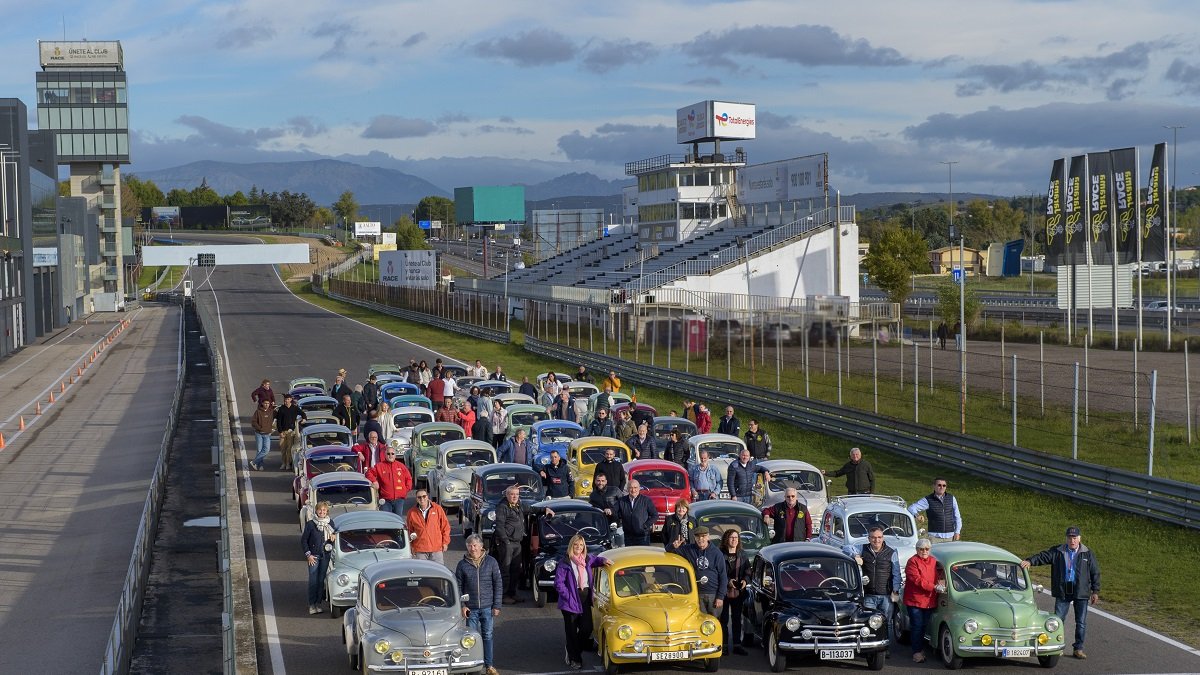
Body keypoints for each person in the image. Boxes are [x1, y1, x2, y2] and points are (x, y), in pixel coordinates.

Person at [1021, 526, 1101, 659]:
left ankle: (1078, 649)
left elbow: (1095, 572)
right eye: (1070, 538)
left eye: (1074, 538)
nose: (1072, 540)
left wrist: (1095, 591)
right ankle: (1057, 646)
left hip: (1081, 591)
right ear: (1066, 538)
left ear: (1079, 538)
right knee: (1058, 620)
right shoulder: (1058, 551)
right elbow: (1043, 556)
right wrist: (1030, 561)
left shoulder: (1087, 553)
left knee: (1081, 622)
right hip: (1063, 590)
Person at [554, 534, 609, 670]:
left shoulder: (587, 559)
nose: (578, 547)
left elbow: (597, 560)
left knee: (587, 628)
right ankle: (575, 659)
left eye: (581, 545)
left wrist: (605, 560)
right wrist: (568, 596)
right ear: (571, 546)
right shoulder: (565, 562)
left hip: (584, 598)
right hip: (570, 600)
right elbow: (558, 583)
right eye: (576, 545)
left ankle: (572, 649)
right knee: (571, 632)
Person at [494, 485, 553, 603]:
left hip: (517, 543)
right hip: (507, 543)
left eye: (517, 494)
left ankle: (513, 593)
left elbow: (531, 509)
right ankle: (503, 596)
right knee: (505, 570)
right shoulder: (502, 507)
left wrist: (545, 509)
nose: (515, 496)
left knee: (516, 570)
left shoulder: (519, 505)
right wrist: (505, 541)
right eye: (512, 494)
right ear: (507, 495)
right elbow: (499, 526)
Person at [456, 534, 503, 675]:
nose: (472, 548)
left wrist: (497, 605)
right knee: (470, 639)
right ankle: (471, 667)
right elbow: (459, 586)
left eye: (475, 545)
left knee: (487, 636)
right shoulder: (462, 564)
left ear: (481, 547)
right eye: (470, 545)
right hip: (471, 609)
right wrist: (463, 605)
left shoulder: (491, 562)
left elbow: (498, 584)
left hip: (488, 608)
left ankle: (489, 666)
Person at [854, 526, 901, 656]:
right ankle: (869, 650)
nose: (876, 540)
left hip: (886, 595)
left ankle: (885, 649)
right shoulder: (862, 549)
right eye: (873, 537)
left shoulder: (891, 552)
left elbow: (896, 574)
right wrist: (855, 555)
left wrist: (895, 590)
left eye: (879, 537)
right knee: (868, 623)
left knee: (887, 623)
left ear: (883, 538)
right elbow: (845, 548)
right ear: (869, 538)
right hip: (868, 595)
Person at [903, 538, 939, 663]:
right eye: (921, 549)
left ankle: (920, 648)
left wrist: (941, 584)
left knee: (924, 626)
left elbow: (939, 575)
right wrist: (934, 587)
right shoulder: (912, 561)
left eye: (927, 549)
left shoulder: (934, 561)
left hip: (929, 600)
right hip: (915, 600)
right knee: (917, 626)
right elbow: (917, 580)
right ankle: (916, 652)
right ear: (917, 549)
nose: (924, 551)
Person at [679, 527, 727, 616]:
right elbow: (670, 551)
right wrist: (673, 545)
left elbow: (723, 576)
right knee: (698, 620)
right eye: (698, 536)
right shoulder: (689, 549)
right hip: (696, 593)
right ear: (694, 538)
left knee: (714, 623)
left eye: (703, 536)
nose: (701, 539)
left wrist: (720, 597)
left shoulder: (717, 553)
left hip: (713, 594)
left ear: (708, 537)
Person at [719, 529, 750, 655]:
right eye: (731, 537)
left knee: (737, 619)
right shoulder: (719, 554)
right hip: (723, 591)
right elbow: (717, 572)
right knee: (724, 619)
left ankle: (737, 645)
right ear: (726, 539)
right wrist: (727, 582)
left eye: (736, 537)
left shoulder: (742, 554)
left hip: (738, 593)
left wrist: (744, 581)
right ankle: (724, 645)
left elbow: (748, 571)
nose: (734, 540)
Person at [301, 501, 335, 614]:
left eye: (324, 510)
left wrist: (334, 536)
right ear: (316, 511)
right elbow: (304, 540)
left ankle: (318, 603)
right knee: (313, 580)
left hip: (325, 555)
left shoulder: (331, 524)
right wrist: (308, 555)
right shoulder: (311, 524)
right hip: (313, 556)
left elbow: (333, 538)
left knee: (321, 581)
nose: (322, 512)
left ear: (327, 512)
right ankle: (311, 605)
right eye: (320, 510)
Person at [908, 478, 962, 543]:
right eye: (939, 485)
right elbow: (911, 508)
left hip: (951, 537)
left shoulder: (952, 498)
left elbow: (957, 517)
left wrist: (957, 532)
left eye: (944, 485)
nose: (941, 487)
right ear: (934, 486)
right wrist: (917, 515)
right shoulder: (928, 500)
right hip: (934, 538)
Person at [406, 489, 451, 563]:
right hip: (420, 550)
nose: (422, 499)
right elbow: (409, 531)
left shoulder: (437, 509)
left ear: (428, 497)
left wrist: (445, 542)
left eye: (424, 496)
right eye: (419, 497)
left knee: (438, 573)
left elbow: (445, 527)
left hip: (436, 548)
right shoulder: (411, 512)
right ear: (416, 499)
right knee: (422, 573)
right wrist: (411, 546)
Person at [366, 445, 413, 515]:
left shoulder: (401, 466)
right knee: (387, 520)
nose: (390, 455)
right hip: (385, 500)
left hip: (399, 500)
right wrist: (374, 481)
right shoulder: (379, 466)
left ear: (395, 455)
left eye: (392, 454)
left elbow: (408, 478)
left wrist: (405, 490)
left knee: (398, 520)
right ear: (385, 455)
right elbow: (368, 473)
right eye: (388, 454)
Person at [612, 480, 657, 546]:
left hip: (643, 536)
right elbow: (614, 511)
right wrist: (610, 510)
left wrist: (645, 525)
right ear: (627, 489)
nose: (633, 490)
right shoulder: (621, 500)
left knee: (643, 556)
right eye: (631, 488)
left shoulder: (646, 500)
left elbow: (655, 515)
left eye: (635, 488)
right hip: (628, 537)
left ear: (639, 488)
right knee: (630, 556)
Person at [274, 394, 306, 471]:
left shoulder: (294, 408)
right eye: (285, 400)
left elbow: (302, 413)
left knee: (289, 448)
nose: (286, 401)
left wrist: (304, 419)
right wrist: (280, 431)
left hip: (290, 431)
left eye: (287, 400)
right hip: (283, 431)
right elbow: (278, 421)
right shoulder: (281, 409)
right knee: (282, 448)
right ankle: (283, 463)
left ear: (290, 400)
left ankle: (288, 463)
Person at [250, 398, 275, 471]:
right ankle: (259, 465)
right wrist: (260, 428)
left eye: (268, 403)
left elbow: (280, 415)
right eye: (265, 403)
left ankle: (254, 462)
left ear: (270, 404)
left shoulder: (271, 411)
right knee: (259, 450)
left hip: (267, 434)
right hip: (258, 434)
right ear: (262, 404)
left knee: (266, 450)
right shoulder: (258, 412)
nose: (266, 405)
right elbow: (253, 422)